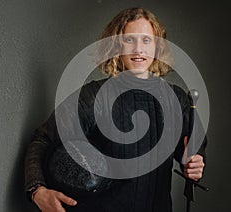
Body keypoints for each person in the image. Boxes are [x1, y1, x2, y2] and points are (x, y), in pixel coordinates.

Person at [24, 7, 207, 212]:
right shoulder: (94, 97)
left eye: (146, 40)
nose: (138, 49)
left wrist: (195, 162)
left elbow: (193, 149)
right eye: (129, 40)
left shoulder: (177, 99)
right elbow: (43, 140)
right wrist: (36, 190)